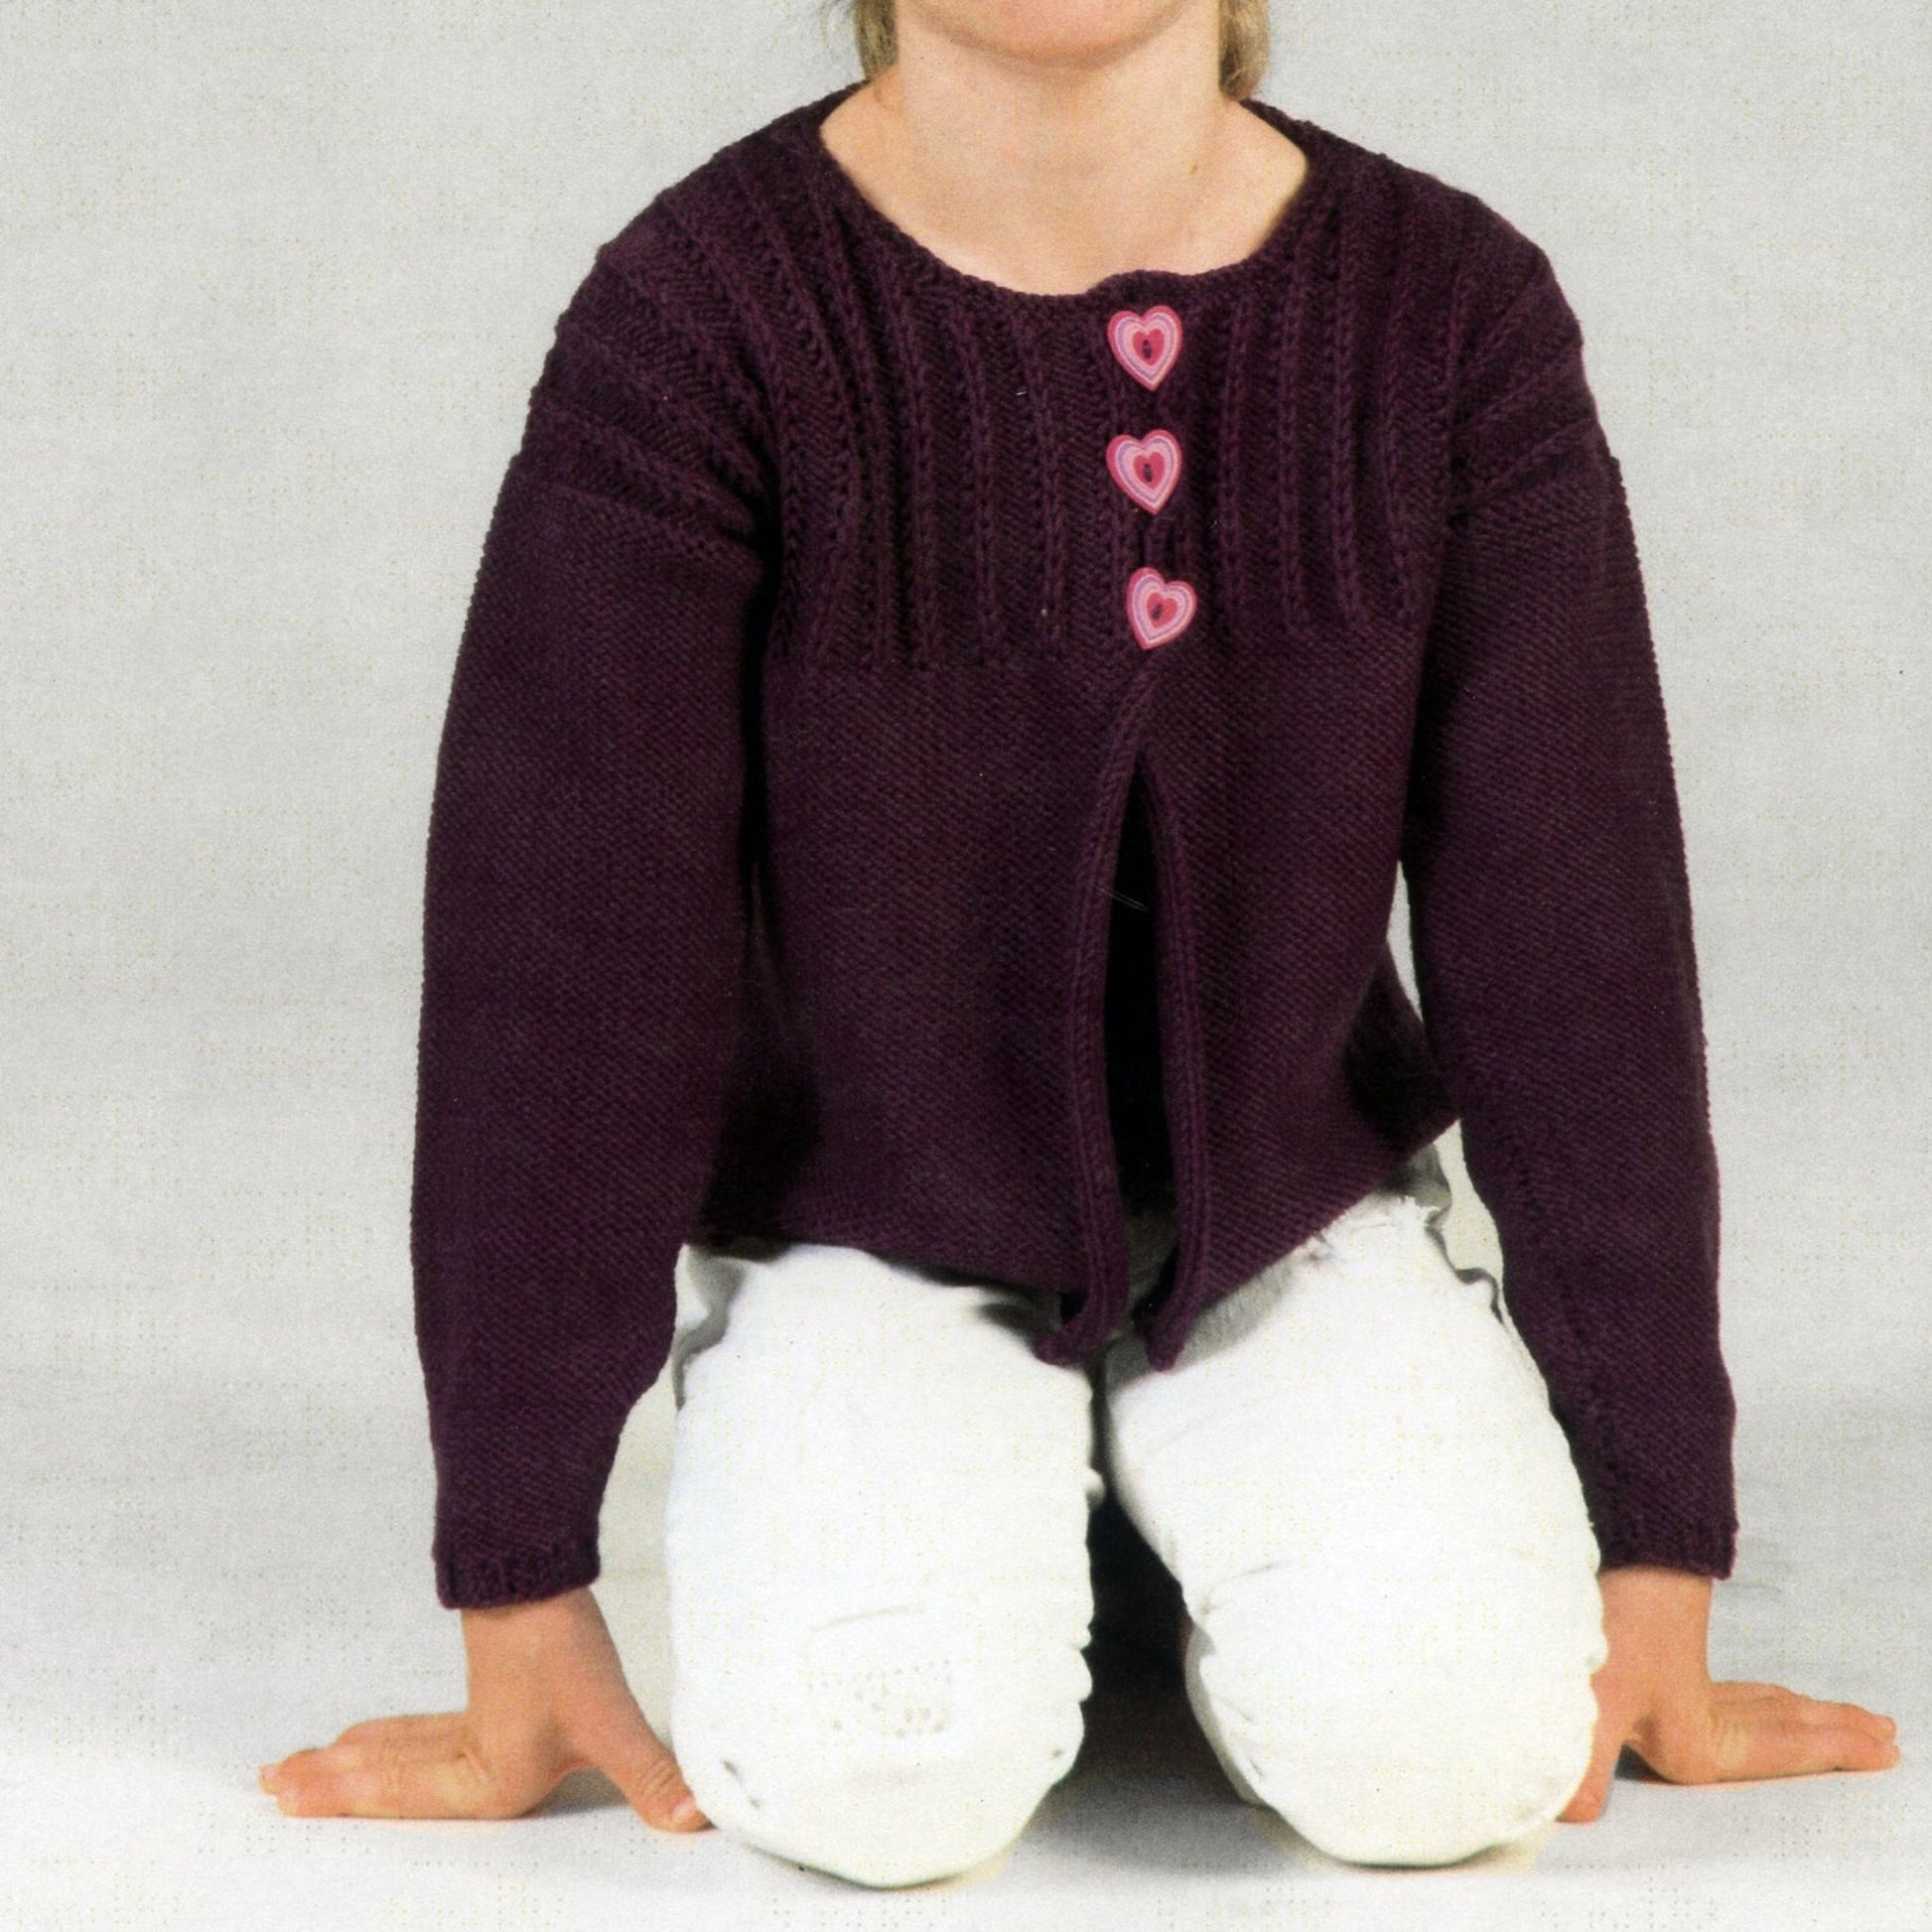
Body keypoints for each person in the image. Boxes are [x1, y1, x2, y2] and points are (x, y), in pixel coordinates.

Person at [258, 0, 1900, 1889]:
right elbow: (564, 965)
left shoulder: (1447, 310)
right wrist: (520, 1575)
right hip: (863, 1207)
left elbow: (1579, 943)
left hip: (1296, 1208)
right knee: (875, 1788)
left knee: (1456, 1763)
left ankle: (1172, 1468)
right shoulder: (706, 310)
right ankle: (922, 1428)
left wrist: (1655, 1531)